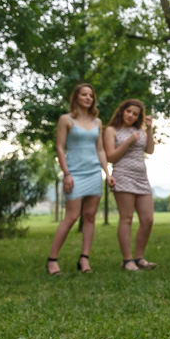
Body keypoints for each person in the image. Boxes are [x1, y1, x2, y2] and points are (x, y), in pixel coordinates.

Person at [47, 83, 114, 275]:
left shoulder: (97, 122)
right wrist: (66, 174)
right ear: (76, 97)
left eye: (91, 95)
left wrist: (107, 173)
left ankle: (84, 259)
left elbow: (100, 149)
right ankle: (52, 260)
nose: (88, 98)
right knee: (71, 216)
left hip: (94, 172)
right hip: (74, 173)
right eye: (84, 95)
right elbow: (60, 147)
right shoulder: (66, 120)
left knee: (90, 216)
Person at [104, 99, 156, 271]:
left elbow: (149, 150)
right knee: (126, 218)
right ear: (122, 111)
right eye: (129, 112)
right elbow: (111, 157)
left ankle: (139, 257)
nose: (131, 116)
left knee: (148, 219)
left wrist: (148, 129)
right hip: (123, 175)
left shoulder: (139, 131)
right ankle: (127, 260)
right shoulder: (112, 130)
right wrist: (128, 141)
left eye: (135, 114)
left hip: (141, 177)